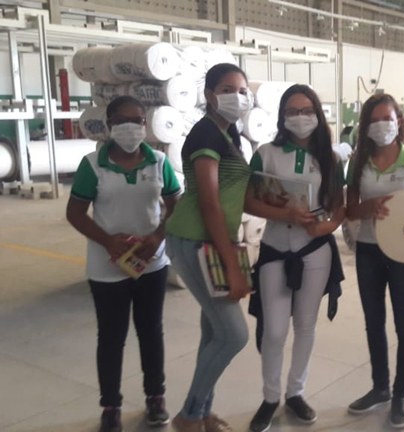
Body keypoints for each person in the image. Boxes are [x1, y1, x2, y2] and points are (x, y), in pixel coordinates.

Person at [66, 95, 181, 432]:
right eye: (123, 121)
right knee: (111, 337)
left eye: (138, 120)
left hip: (151, 264)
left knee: (151, 331)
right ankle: (111, 405)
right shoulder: (93, 165)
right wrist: (108, 242)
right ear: (110, 125)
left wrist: (157, 237)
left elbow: (176, 204)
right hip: (107, 267)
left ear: (145, 125)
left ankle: (155, 397)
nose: (131, 127)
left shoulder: (159, 162)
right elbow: (75, 213)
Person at [245, 84, 346, 432]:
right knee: (274, 330)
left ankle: (295, 393)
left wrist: (327, 227)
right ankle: (269, 396)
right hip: (275, 248)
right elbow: (248, 200)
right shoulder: (266, 153)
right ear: (282, 116)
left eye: (306, 111)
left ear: (317, 115)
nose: (300, 117)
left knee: (305, 325)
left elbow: (339, 206)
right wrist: (284, 214)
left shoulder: (331, 158)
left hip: (315, 250)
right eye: (292, 111)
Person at [164, 63, 254, 432]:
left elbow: (237, 196)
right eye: (227, 89)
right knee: (234, 335)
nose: (237, 97)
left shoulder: (229, 133)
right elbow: (209, 202)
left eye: (243, 90)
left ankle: (200, 413)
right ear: (209, 95)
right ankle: (188, 416)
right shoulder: (206, 133)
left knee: (214, 333)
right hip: (194, 241)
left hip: (211, 241)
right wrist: (231, 264)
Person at [345, 94, 404, 429]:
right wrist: (370, 207)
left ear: (399, 121)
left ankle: (400, 395)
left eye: (388, 118)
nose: (382, 125)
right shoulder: (358, 162)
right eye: (374, 119)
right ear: (365, 125)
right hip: (369, 250)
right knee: (373, 322)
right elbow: (349, 210)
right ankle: (380, 387)